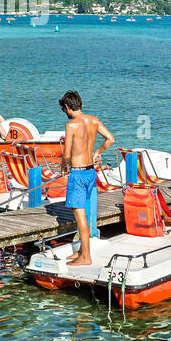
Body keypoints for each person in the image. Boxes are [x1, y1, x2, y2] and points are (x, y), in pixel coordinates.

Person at [59, 90, 113, 266]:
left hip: (78, 173)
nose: (65, 113)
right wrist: (97, 152)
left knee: (80, 215)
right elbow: (110, 139)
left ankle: (86, 257)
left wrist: (63, 166)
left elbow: (66, 154)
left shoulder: (71, 126)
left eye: (64, 109)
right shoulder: (94, 120)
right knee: (84, 212)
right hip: (91, 172)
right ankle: (82, 251)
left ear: (68, 107)